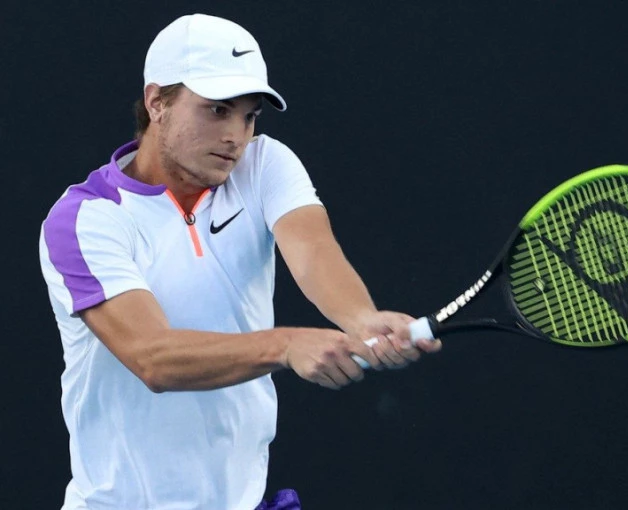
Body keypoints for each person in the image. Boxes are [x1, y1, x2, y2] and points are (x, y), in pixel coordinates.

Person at [38, 13, 441, 510]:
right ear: (157, 102)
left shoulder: (264, 165)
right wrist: (285, 345)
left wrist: (361, 319)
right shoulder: (85, 220)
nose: (236, 136)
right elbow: (153, 357)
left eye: (249, 116)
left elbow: (312, 250)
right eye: (217, 109)